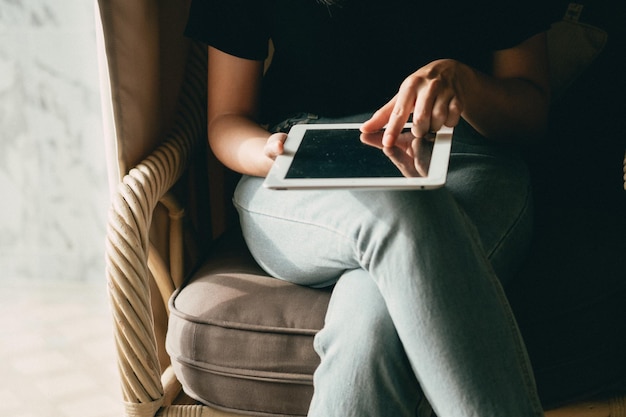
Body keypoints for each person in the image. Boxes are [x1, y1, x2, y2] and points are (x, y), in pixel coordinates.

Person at [185, 0, 551, 415]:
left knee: (370, 324)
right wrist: (270, 153)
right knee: (399, 207)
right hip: (300, 165)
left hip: (462, 160)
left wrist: (463, 83)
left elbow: (531, 113)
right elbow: (228, 118)